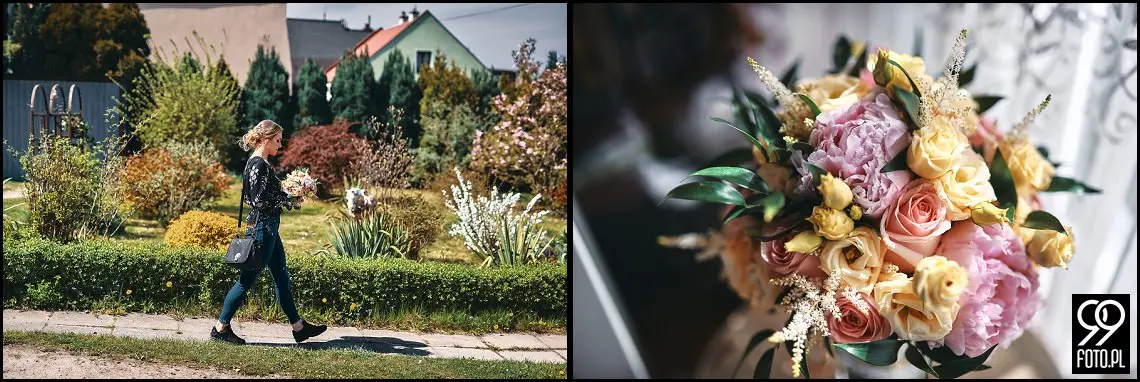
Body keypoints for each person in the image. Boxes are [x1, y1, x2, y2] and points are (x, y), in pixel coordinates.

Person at [211, 119, 327, 345]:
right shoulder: (258, 165)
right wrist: (288, 197)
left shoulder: (259, 163)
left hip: (268, 227)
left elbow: (263, 195)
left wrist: (287, 193)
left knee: (282, 277)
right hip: (262, 228)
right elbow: (259, 201)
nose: (280, 145)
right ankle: (220, 328)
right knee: (246, 280)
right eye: (277, 140)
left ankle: (298, 327)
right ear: (265, 139)